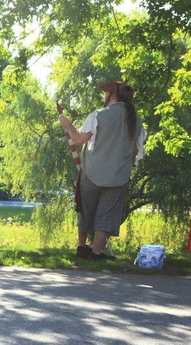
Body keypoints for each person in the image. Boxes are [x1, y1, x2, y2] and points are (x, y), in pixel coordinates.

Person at [58, 81, 146, 261]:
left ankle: (82, 248)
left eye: (106, 94)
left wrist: (67, 125)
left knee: (86, 210)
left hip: (92, 173)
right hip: (118, 177)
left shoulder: (99, 115)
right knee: (106, 215)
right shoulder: (136, 121)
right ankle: (96, 253)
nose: (104, 96)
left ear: (113, 96)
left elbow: (80, 139)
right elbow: (136, 151)